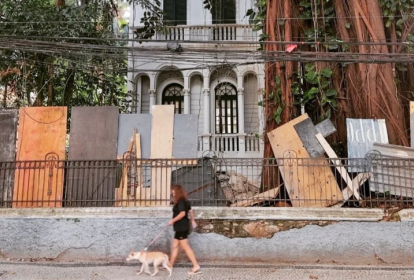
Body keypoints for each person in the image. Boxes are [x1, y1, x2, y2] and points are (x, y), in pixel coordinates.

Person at [168, 184, 201, 275]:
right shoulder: (185, 201)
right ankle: (170, 265)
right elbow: (190, 211)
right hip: (180, 227)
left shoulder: (181, 201)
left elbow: (182, 213)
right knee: (174, 246)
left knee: (185, 247)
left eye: (173, 192)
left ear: (177, 191)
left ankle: (196, 266)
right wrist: (193, 220)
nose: (172, 193)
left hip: (181, 227)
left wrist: (172, 221)